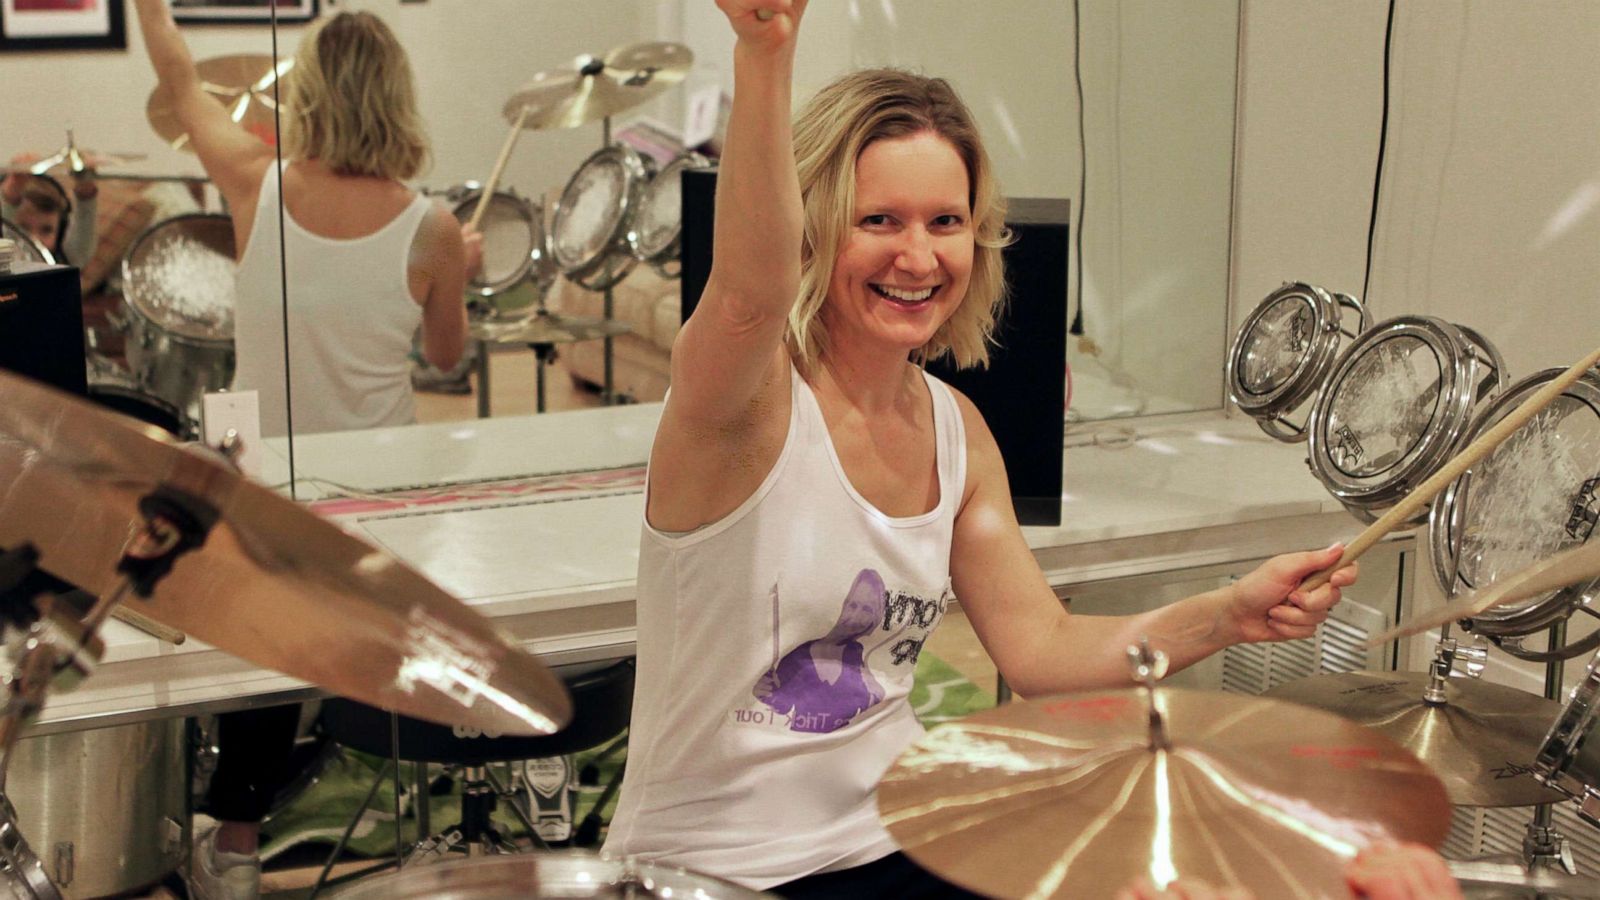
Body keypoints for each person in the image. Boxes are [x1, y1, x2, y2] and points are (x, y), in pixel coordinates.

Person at [602, 1, 1362, 897]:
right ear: (813, 227)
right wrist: (765, 56)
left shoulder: (956, 429)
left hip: (897, 832)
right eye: (877, 219)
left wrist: (1229, 613)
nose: (918, 258)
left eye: (945, 221)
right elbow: (745, 296)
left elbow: (1039, 648)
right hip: (716, 868)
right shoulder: (747, 401)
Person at [133, 0, 473, 438]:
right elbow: (445, 357)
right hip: (384, 464)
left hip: (260, 474)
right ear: (399, 98)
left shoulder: (254, 184)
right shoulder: (435, 229)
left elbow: (179, 84)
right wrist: (459, 271)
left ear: (304, 94)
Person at [1, 152, 97, 267]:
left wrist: (86, 192)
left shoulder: (64, 258)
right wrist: (12, 193)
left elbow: (81, 248)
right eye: (23, 229)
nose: (35, 241)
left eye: (46, 230)